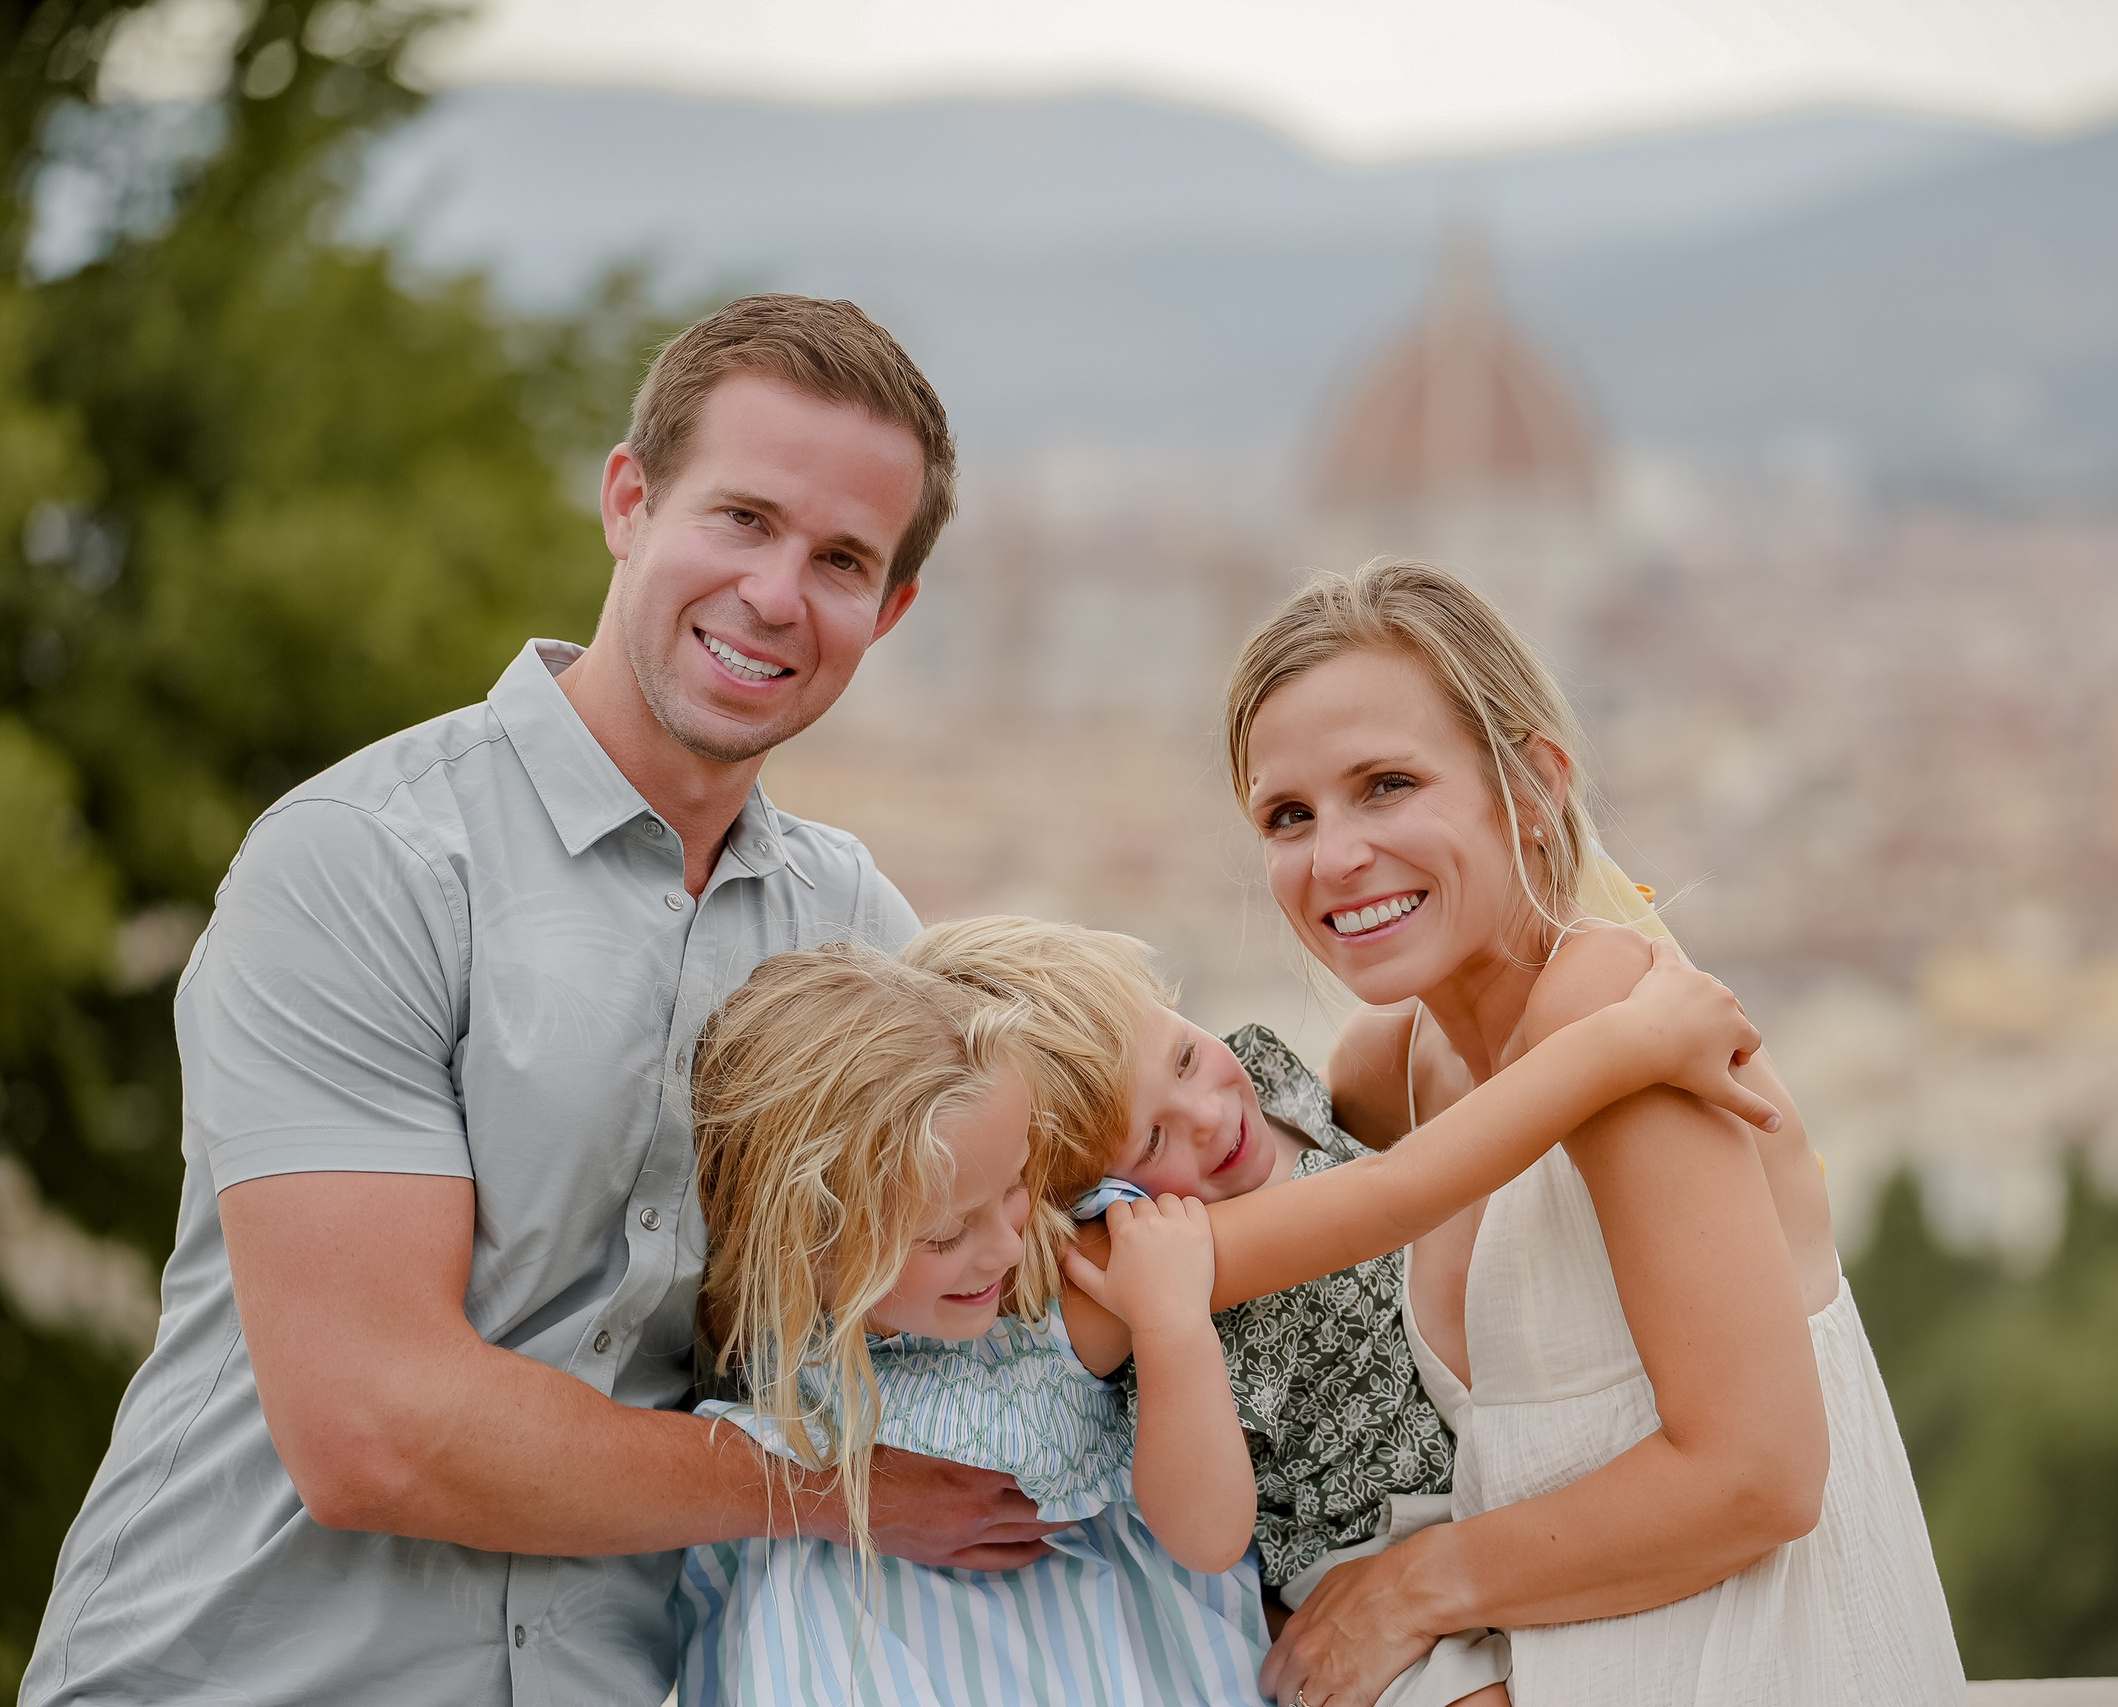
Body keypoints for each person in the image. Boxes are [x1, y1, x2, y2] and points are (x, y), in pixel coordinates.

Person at [22, 295, 1059, 1707]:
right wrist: (822, 1487)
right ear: (629, 499)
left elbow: (1015, 1255)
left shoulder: (859, 937)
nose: (775, 593)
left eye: (840, 559)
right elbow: (375, 1428)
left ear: (891, 609)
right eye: (741, 518)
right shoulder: (364, 862)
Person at [672, 918, 1774, 1706]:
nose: (1006, 1247)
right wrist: (1618, 1048)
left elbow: (1393, 1153)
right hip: (1334, 1563)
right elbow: (1398, 1196)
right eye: (947, 1231)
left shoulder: (1131, 1209)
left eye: (1010, 1194)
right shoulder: (1082, 1281)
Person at [1236, 558, 1970, 1707]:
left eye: (1385, 785)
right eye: (1289, 814)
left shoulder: (1618, 1026)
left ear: (1531, 789)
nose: (1332, 857)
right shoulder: (1392, 1067)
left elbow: (1760, 1475)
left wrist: (1409, 1588)